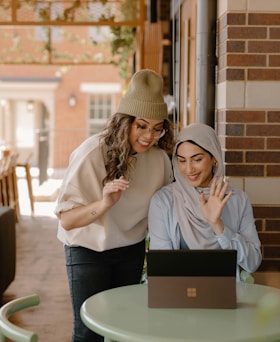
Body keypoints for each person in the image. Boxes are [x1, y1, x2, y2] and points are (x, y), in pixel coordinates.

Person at [54, 69, 174, 342]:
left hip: (129, 250)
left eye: (157, 129)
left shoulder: (159, 160)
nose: (148, 136)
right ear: (125, 122)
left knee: (123, 329)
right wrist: (104, 203)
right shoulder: (92, 153)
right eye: (141, 126)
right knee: (88, 333)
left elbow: (166, 209)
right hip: (87, 250)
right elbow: (67, 221)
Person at [148, 123, 262, 281]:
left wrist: (218, 225)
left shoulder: (238, 200)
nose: (189, 169)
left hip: (225, 294)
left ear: (214, 158)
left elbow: (253, 263)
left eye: (197, 159)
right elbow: (161, 267)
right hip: (177, 293)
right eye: (182, 160)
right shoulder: (163, 201)